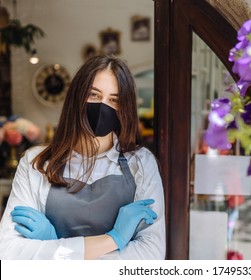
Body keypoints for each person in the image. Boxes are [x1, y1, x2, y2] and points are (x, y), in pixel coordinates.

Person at [0, 55, 165, 259]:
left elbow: (150, 256)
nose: (103, 107)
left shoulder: (141, 163)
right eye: (94, 95)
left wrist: (54, 247)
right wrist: (114, 240)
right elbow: (9, 253)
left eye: (114, 100)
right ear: (76, 97)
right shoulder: (36, 162)